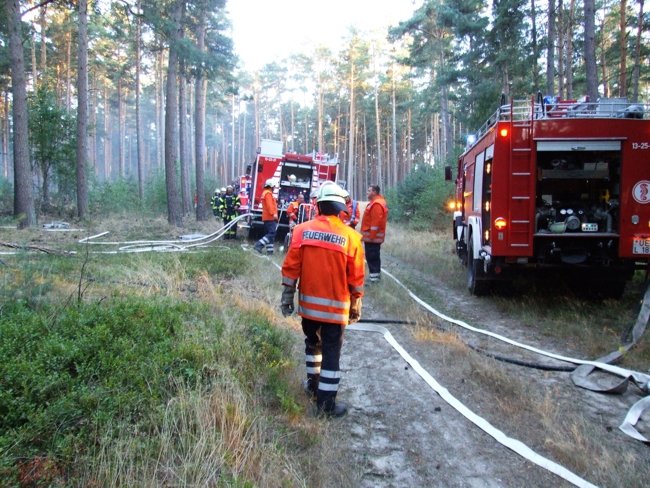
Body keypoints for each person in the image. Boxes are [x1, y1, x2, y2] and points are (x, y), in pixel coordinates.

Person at [280, 181, 365, 418]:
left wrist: (287, 296)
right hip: (335, 311)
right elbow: (356, 278)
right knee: (330, 353)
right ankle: (326, 405)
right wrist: (356, 304)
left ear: (318, 206)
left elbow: (291, 267)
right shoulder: (351, 237)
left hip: (308, 309)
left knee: (312, 345)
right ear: (340, 209)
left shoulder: (301, 231)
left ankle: (313, 385)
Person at [360, 185, 388, 283]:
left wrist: (372, 236)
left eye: (369, 190)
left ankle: (374, 279)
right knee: (372, 256)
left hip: (373, 238)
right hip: (372, 237)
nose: (367, 192)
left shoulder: (377, 204)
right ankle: (375, 277)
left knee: (372, 257)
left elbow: (376, 221)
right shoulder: (376, 202)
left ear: (374, 192)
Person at [253, 179, 278, 254]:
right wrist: (274, 214)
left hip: (267, 217)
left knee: (270, 234)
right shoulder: (268, 194)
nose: (274, 188)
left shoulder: (266, 193)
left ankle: (270, 252)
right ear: (271, 186)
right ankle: (259, 245)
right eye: (274, 186)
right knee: (272, 233)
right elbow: (269, 206)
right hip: (270, 217)